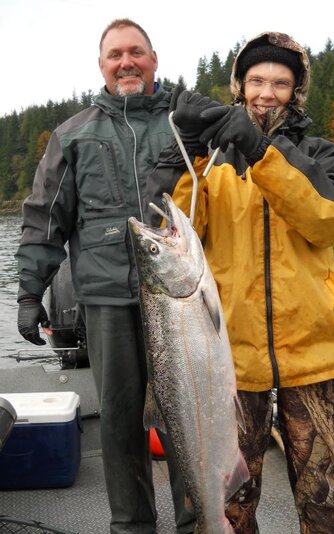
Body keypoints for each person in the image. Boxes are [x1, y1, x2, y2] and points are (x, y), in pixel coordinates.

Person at [147, 31, 334, 533]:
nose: (267, 92)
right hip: (230, 366)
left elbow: (326, 218)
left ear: (298, 91)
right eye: (257, 80)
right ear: (239, 86)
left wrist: (261, 150)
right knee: (230, 505)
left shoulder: (324, 155)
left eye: (281, 83)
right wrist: (183, 156)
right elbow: (169, 228)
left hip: (315, 360)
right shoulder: (210, 166)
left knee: (326, 505)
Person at [15, 18, 196, 534]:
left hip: (182, 300)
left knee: (186, 413)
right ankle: (132, 525)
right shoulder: (72, 135)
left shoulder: (187, 123)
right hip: (106, 300)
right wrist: (31, 293)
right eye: (115, 54)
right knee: (118, 420)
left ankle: (197, 521)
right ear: (101, 66)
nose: (126, 63)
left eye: (136, 52)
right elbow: (44, 217)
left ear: (154, 59)